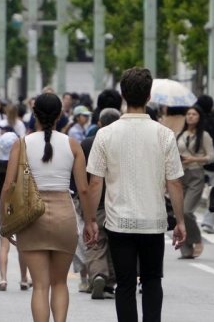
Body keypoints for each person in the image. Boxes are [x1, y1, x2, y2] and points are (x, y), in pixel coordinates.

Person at [86, 67, 185, 322]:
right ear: (149, 95)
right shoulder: (164, 135)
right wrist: (181, 221)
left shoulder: (105, 134)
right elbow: (174, 183)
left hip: (119, 222)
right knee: (153, 280)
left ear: (123, 94)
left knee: (126, 284)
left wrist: (90, 220)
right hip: (153, 221)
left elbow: (95, 183)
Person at [2, 93, 95, 322]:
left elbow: (8, 187)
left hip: (32, 218)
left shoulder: (21, 145)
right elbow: (83, 189)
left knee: (40, 287)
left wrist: (7, 223)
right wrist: (91, 221)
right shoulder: (73, 145)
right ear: (60, 115)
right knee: (60, 282)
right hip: (64, 216)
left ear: (34, 114)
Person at [81, 108, 120, 300]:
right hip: (117, 200)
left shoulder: (87, 143)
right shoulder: (123, 143)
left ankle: (97, 275)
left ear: (99, 124)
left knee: (95, 242)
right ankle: (109, 283)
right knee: (114, 242)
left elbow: (82, 176)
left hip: (93, 200)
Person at [0, 132, 29, 292]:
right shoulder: (23, 164)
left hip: (1, 205)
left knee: (4, 245)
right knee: (22, 244)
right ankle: (24, 279)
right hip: (20, 205)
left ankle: (3, 279)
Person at [176, 106, 214, 259]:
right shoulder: (179, 134)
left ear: (199, 117)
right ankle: (185, 250)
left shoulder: (204, 136)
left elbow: (212, 156)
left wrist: (195, 159)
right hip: (179, 175)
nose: (191, 117)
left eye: (194, 114)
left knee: (186, 211)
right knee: (179, 213)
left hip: (196, 174)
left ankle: (197, 239)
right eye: (188, 114)